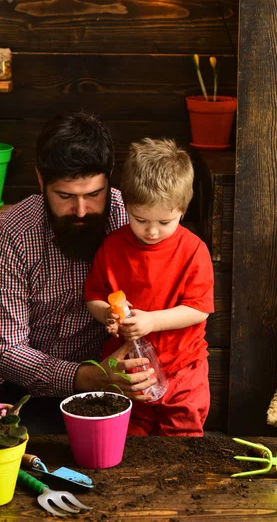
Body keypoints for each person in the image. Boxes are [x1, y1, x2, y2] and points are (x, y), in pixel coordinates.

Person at [0, 112, 156, 434]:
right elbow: (7, 350)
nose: (81, 210)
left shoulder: (134, 220)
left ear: (109, 178)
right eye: (64, 196)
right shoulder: (13, 232)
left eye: (93, 194)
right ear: (39, 180)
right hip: (2, 380)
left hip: (102, 385)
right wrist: (87, 376)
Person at [84, 138, 214, 436]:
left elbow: (198, 309)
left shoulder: (193, 250)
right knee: (129, 438)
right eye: (140, 219)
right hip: (130, 370)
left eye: (165, 221)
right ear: (125, 204)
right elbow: (93, 296)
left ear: (183, 210)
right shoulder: (113, 247)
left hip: (184, 368)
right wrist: (107, 315)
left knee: (182, 439)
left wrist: (152, 321)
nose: (152, 231)